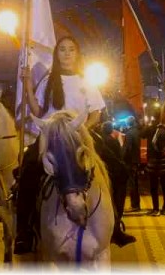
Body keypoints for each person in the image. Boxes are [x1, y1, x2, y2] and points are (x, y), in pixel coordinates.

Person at [13, 35, 133, 254]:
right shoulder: (48, 81)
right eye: (62, 50)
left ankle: (115, 224)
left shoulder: (85, 81)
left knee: (119, 170)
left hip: (81, 135)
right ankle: (24, 232)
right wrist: (28, 85)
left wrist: (81, 130)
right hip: (52, 136)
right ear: (56, 55)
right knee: (27, 171)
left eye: (71, 50)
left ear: (77, 55)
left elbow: (96, 113)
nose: (67, 54)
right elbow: (39, 112)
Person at [146, 124, 165, 215]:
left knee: (154, 187)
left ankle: (156, 209)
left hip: (155, 164)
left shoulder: (153, 131)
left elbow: (142, 135)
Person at [123, 117, 142, 212]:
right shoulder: (139, 132)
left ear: (128, 124)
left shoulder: (129, 133)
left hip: (130, 162)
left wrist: (122, 159)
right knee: (136, 184)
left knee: (132, 184)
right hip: (138, 160)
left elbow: (127, 149)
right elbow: (143, 147)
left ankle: (134, 205)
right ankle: (137, 204)